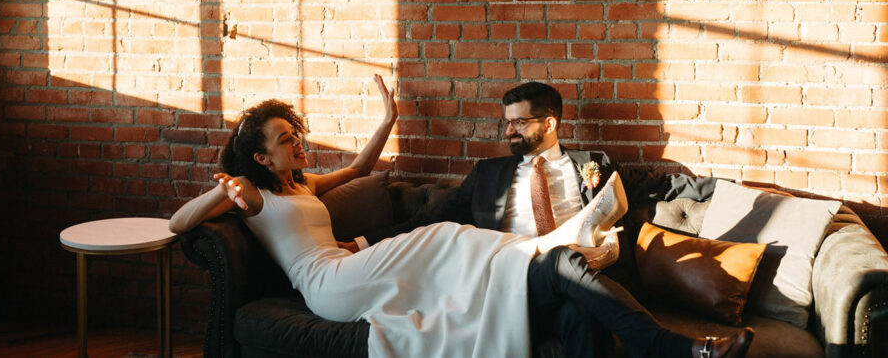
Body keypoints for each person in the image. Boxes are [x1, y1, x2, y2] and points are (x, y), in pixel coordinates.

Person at [169, 75, 752, 358]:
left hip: (362, 269)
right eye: (283, 138)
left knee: (567, 276)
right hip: (330, 283)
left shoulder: (304, 185)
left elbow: (364, 165)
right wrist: (225, 190)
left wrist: (390, 114)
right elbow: (179, 225)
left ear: (549, 123)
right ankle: (568, 264)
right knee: (448, 230)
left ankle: (677, 350)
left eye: (295, 133)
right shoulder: (252, 193)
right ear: (258, 155)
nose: (296, 142)